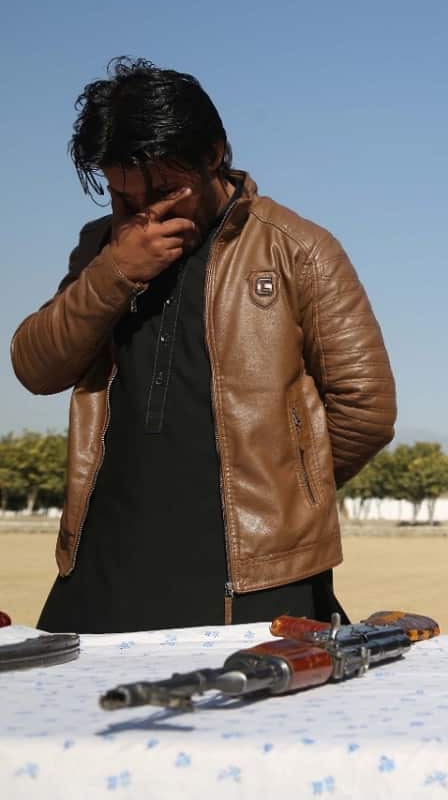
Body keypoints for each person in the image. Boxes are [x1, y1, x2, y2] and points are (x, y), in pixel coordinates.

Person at [11, 58, 396, 633]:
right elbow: (35, 366)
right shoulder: (102, 248)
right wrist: (115, 271)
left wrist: (281, 491)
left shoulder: (298, 249)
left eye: (167, 190)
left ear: (213, 154)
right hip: (101, 564)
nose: (146, 212)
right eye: (122, 197)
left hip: (250, 574)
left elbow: (365, 408)